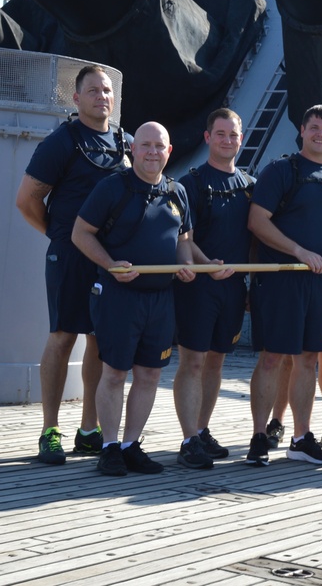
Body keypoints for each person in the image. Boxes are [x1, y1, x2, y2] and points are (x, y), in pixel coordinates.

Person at [71, 122, 222, 476]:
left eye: (160, 146)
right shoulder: (112, 188)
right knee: (114, 372)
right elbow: (80, 233)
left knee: (150, 375)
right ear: (133, 150)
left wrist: (187, 266)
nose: (153, 152)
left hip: (160, 299)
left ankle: (130, 445)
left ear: (169, 152)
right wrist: (109, 265)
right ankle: (109, 447)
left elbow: (184, 239)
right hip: (119, 297)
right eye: (146, 145)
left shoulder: (177, 192)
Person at [15, 65, 130, 465]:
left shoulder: (126, 144)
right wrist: (60, 237)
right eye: (93, 90)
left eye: (107, 90)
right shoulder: (61, 142)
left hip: (110, 260)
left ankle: (88, 430)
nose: (102, 96)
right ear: (76, 98)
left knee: (100, 338)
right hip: (69, 255)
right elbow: (26, 200)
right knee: (63, 336)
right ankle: (50, 430)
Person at [245, 104, 322, 466]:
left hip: (320, 283)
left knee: (309, 359)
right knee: (272, 358)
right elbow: (257, 222)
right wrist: (298, 252)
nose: (321, 134)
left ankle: (300, 438)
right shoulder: (281, 170)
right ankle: (259, 438)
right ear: (302, 130)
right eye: (315, 127)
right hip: (281, 281)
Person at [173, 109, 254, 466]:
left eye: (233, 135)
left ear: (241, 138)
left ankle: (202, 430)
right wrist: (207, 266)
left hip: (234, 288)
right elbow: (182, 237)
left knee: (216, 363)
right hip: (198, 288)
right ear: (208, 138)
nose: (227, 140)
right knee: (192, 363)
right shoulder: (190, 183)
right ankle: (189, 439)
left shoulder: (250, 186)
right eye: (220, 134)